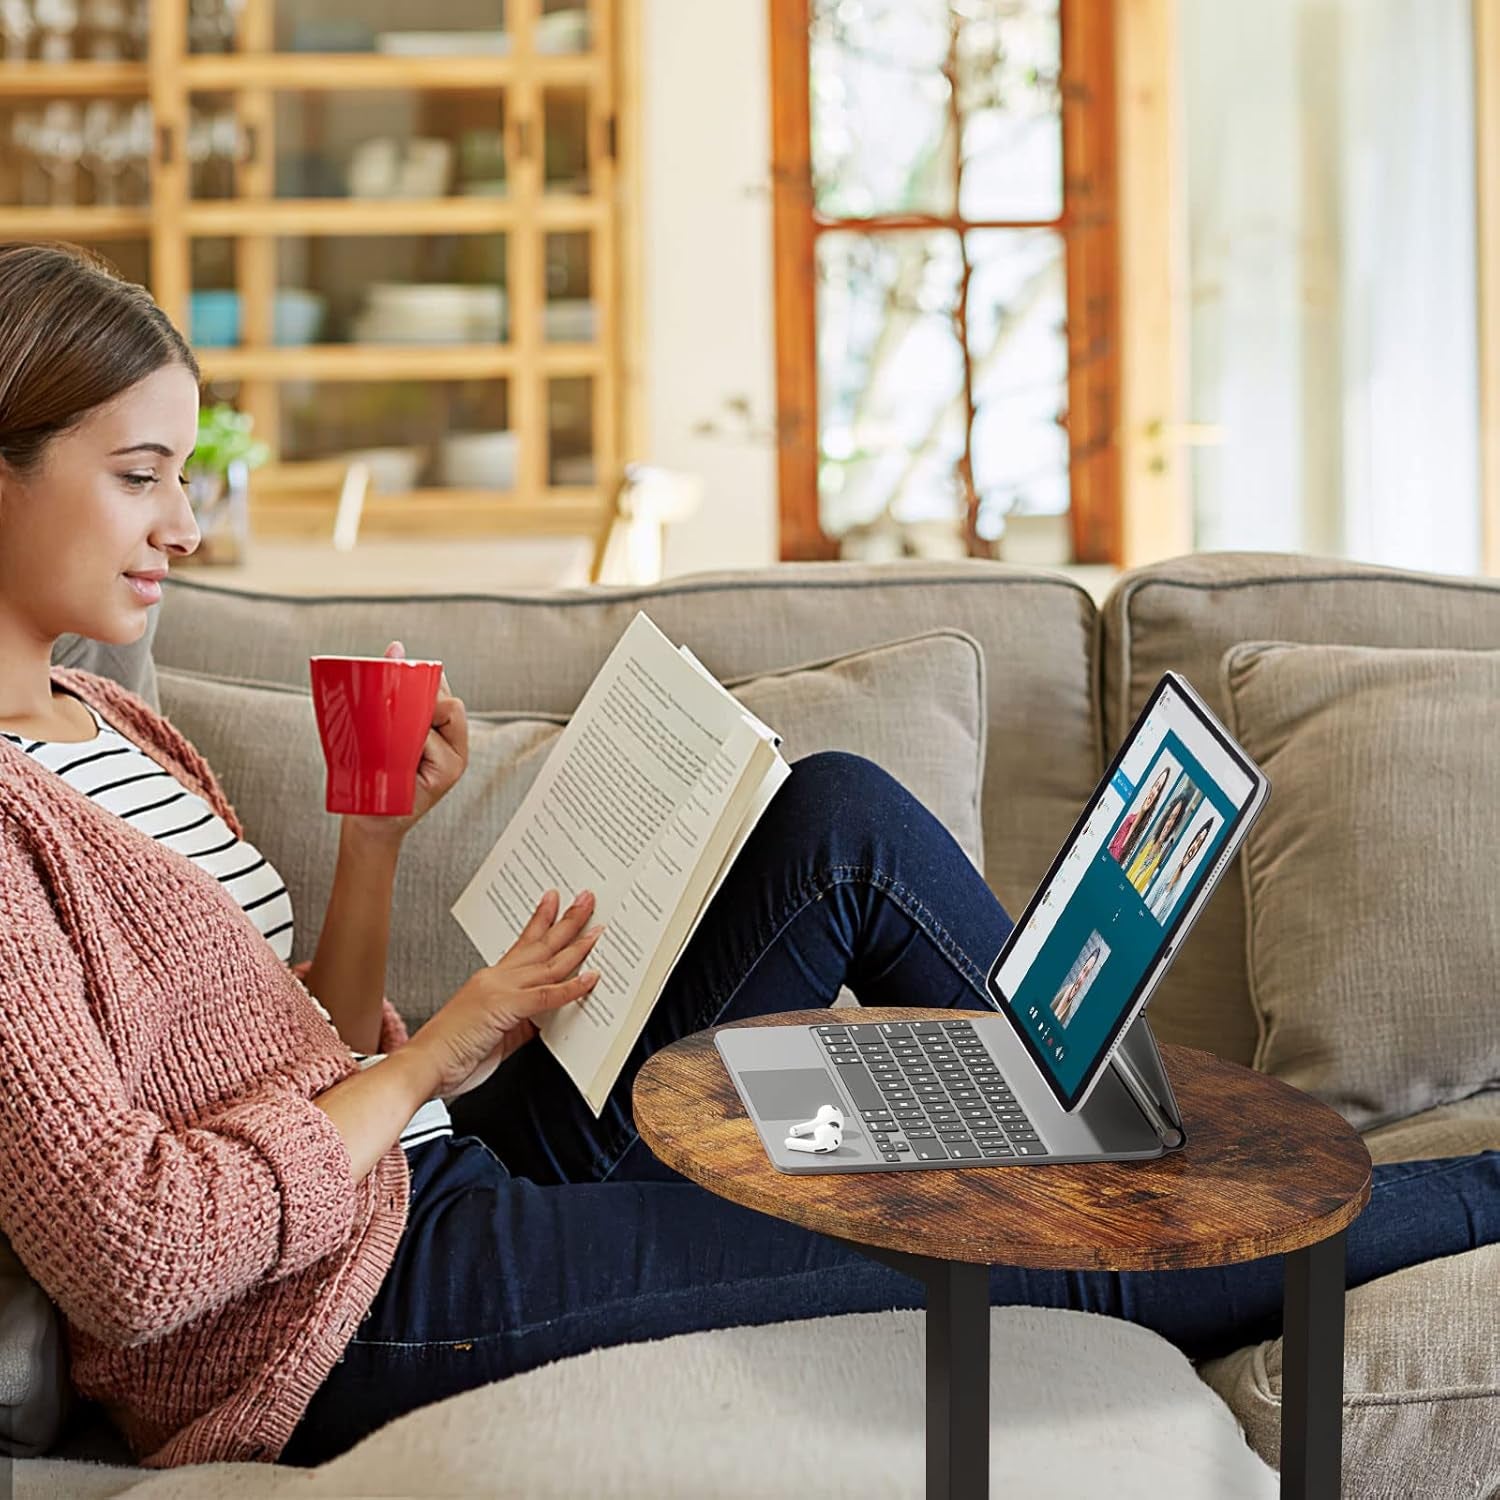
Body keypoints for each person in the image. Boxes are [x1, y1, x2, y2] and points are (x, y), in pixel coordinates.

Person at [1, 242, 1497, 1473]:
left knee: (835, 821)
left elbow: (297, 1049)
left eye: (182, 475)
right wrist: (437, 1054)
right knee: (989, 1231)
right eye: (141, 476)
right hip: (353, 1312)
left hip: (437, 1176)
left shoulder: (112, 720)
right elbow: (135, 1255)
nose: (188, 525)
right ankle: (1426, 1191)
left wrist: (373, 841)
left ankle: (1119, 1119)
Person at [1147, 820, 1215, 923]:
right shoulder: (1167, 868)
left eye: (1200, 844)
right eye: (1196, 840)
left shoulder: (1182, 889)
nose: (1194, 847)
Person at [1125, 791, 1192, 895]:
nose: (1170, 823)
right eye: (1170, 817)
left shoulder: (1167, 854)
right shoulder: (1147, 838)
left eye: (1175, 820)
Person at [1108, 765, 1170, 866]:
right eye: (1155, 786)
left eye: (1158, 790)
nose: (1154, 791)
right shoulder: (1129, 818)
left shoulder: (1143, 833)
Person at [1050, 944, 1102, 1026]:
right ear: (1081, 969)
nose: (1082, 978)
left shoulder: (1068, 1012)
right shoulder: (1063, 990)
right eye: (1084, 971)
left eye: (1087, 974)